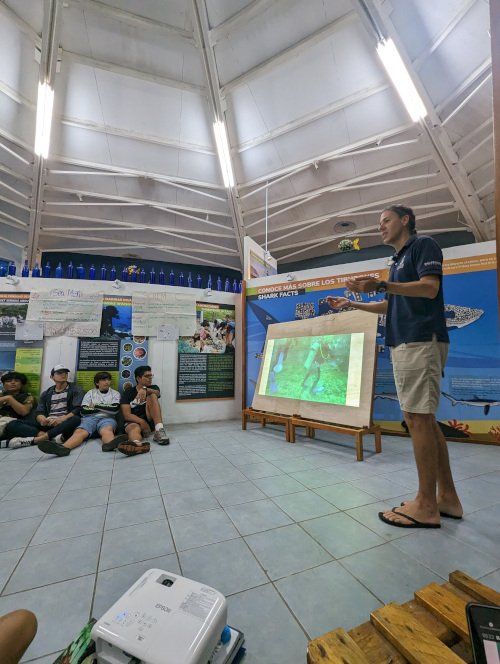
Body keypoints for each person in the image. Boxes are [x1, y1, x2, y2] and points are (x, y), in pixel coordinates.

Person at [327, 204, 462, 529]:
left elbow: (430, 288)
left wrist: (382, 285)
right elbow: (392, 303)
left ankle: (426, 505)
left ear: (406, 220)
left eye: (386, 220)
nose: (381, 227)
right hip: (406, 342)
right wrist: (353, 302)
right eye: (379, 223)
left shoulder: (423, 246)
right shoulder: (397, 261)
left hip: (420, 340)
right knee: (423, 421)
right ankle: (447, 499)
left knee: (416, 419)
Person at [38, 371, 128, 457]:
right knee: (80, 432)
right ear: (97, 383)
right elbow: (84, 410)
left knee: (106, 430)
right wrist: (105, 407)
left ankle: (109, 445)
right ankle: (64, 448)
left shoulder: (115, 394)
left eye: (108, 380)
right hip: (89, 418)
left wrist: (95, 405)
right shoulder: (90, 393)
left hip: (107, 418)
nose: (107, 382)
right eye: (104, 380)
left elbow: (114, 409)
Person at [8, 365, 84, 450]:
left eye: (65, 373)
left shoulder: (75, 389)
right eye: (59, 373)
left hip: (64, 422)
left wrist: (62, 419)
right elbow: (39, 411)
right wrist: (42, 419)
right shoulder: (46, 393)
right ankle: (50, 437)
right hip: (49, 422)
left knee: (76, 419)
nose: (63, 375)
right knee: (13, 424)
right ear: (52, 377)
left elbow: (78, 409)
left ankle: (37, 439)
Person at [118, 365, 168, 455]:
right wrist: (142, 422)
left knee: (152, 395)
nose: (150, 378)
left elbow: (157, 393)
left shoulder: (154, 387)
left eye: (151, 376)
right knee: (133, 428)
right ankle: (137, 445)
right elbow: (126, 415)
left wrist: (145, 389)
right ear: (138, 378)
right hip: (134, 422)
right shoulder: (128, 393)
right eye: (146, 376)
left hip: (149, 421)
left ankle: (159, 430)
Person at [1, 372, 35, 444]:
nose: (13, 383)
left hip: (15, 424)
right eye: (9, 381)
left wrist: (9, 398)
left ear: (22, 384)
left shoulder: (27, 396)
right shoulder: (1, 396)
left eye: (16, 381)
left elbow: (23, 412)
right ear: (3, 385)